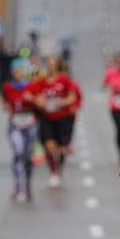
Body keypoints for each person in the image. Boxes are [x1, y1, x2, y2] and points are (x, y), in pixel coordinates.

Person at [30, 55, 79, 188]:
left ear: (57, 65)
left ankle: (59, 167)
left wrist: (61, 102)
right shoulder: (41, 81)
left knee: (62, 149)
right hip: (47, 118)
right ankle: (53, 171)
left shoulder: (64, 80)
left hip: (63, 118)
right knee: (49, 146)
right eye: (49, 64)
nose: (51, 66)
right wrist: (39, 101)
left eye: (53, 64)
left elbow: (73, 96)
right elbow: (32, 95)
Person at [1, 58, 38, 201]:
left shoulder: (32, 86)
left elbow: (41, 102)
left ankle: (28, 184)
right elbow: (4, 102)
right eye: (16, 71)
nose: (18, 73)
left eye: (21, 70)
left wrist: (33, 100)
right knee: (18, 153)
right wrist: (7, 106)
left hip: (30, 124)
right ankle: (17, 184)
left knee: (28, 157)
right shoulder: (8, 87)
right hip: (15, 123)